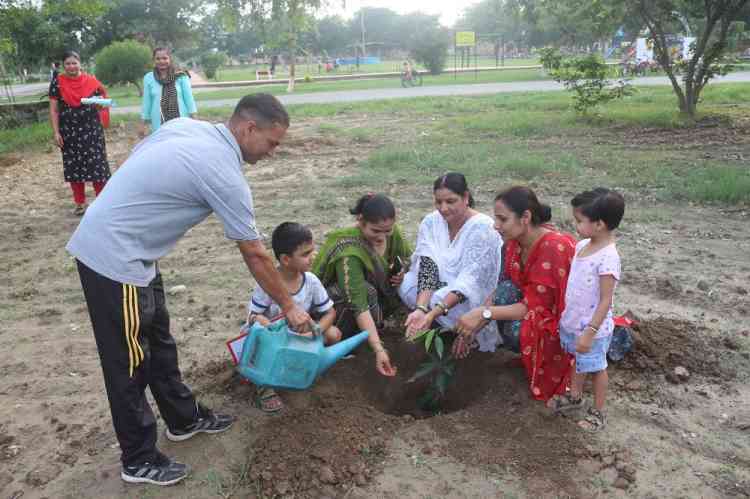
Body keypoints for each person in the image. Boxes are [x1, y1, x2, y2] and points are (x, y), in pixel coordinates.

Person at [66, 94, 312, 486]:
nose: (273, 152)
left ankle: (183, 418)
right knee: (129, 361)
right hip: (113, 258)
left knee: (159, 340)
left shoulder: (189, 127)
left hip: (138, 252)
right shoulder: (224, 173)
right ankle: (138, 459)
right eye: (272, 143)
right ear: (249, 128)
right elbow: (255, 253)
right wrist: (290, 306)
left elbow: (143, 158)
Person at [455, 186, 576, 402]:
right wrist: (474, 328)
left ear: (526, 217)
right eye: (496, 218)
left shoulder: (553, 248)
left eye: (503, 219)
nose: (496, 225)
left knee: (517, 329)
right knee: (506, 292)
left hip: (564, 318)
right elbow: (502, 287)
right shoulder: (513, 244)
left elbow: (534, 307)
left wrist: (483, 314)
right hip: (537, 308)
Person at [312, 194, 412, 377]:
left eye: (387, 231)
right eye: (375, 231)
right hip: (338, 306)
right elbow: (358, 304)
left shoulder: (392, 232)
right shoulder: (349, 250)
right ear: (360, 221)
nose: (382, 237)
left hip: (376, 300)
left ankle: (374, 331)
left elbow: (409, 258)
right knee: (367, 292)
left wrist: (402, 270)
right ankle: (348, 343)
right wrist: (378, 349)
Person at [401, 173, 503, 351]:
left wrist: (432, 313)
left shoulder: (484, 228)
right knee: (407, 284)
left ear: (465, 197)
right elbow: (428, 264)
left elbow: (471, 282)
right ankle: (436, 322)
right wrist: (421, 308)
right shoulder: (431, 222)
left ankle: (461, 330)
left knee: (445, 300)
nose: (443, 208)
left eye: (450, 201)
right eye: (438, 202)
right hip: (440, 289)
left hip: (472, 297)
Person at [247, 222, 341, 412]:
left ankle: (307, 366)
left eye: (312, 251)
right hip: (272, 338)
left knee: (334, 334)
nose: (312, 257)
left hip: (300, 335)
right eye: (306, 254)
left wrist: (316, 330)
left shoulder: (311, 281)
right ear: (286, 259)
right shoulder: (268, 283)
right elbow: (252, 316)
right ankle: (264, 388)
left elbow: (330, 312)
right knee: (261, 350)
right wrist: (267, 326)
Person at [551, 188, 624, 431]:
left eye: (580, 221)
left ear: (600, 224)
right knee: (579, 361)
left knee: (597, 368)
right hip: (575, 321)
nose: (576, 225)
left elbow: (605, 300)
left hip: (593, 328)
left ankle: (599, 412)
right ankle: (575, 397)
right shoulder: (583, 245)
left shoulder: (608, 258)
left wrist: (591, 331)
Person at [48, 50, 111, 216]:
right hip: (69, 131)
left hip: (91, 130)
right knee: (74, 167)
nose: (71, 66)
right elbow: (54, 110)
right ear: (63, 65)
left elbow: (102, 102)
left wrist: (100, 105)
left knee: (97, 166)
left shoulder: (91, 81)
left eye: (74, 63)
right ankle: (80, 203)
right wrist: (56, 132)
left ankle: (102, 202)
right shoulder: (58, 82)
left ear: (80, 63)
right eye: (67, 63)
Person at [140, 47, 197, 137]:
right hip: (158, 122)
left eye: (165, 58)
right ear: (153, 60)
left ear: (170, 59)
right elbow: (147, 102)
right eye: (158, 59)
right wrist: (143, 124)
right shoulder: (148, 78)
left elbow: (189, 98)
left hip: (181, 120)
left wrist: (194, 119)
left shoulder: (181, 76)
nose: (161, 61)